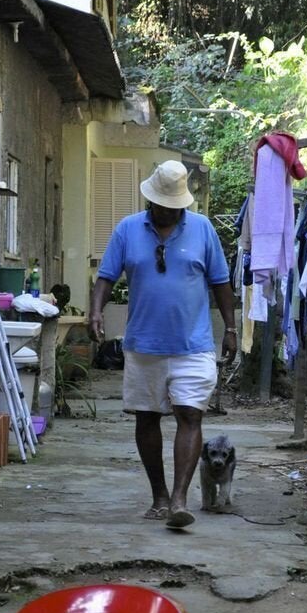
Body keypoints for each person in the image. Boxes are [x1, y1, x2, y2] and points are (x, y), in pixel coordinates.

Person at [89, 160, 237, 528]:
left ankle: (179, 499)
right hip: (144, 345)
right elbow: (106, 277)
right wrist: (95, 313)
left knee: (190, 414)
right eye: (163, 205)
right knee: (147, 418)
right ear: (150, 201)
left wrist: (231, 329)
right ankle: (158, 494)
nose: (170, 211)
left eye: (176, 206)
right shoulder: (127, 230)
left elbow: (221, 283)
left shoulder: (203, 230)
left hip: (194, 345)